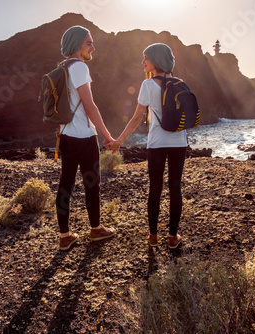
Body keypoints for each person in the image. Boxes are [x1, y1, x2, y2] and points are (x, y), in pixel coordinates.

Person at [107, 43, 186, 249]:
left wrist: (119, 141)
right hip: (179, 142)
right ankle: (172, 237)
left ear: (156, 60)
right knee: (175, 186)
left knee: (155, 188)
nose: (143, 62)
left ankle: (153, 236)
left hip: (157, 143)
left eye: (146, 58)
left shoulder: (148, 85)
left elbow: (136, 118)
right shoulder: (180, 83)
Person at [56, 25, 116, 250]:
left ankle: (64, 237)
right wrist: (107, 135)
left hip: (65, 135)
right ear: (78, 44)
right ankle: (96, 229)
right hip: (84, 136)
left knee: (66, 185)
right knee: (92, 185)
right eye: (89, 42)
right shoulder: (79, 67)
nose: (93, 46)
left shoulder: (62, 68)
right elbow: (90, 106)